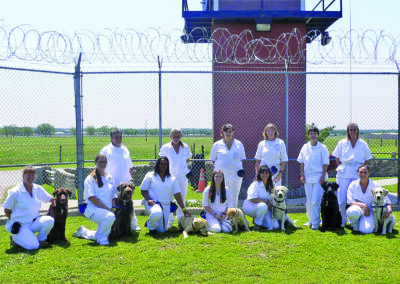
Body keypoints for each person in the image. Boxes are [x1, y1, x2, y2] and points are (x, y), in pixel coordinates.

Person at [4, 166, 55, 250]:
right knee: (33, 246)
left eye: (32, 175)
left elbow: (49, 198)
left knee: (49, 220)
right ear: (23, 176)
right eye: (28, 175)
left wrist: (54, 201)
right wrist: (13, 219)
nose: (30, 178)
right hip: (21, 225)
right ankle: (15, 238)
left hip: (33, 222)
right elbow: (7, 210)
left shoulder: (37, 188)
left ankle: (40, 240)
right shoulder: (15, 192)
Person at [332, 122, 373, 227]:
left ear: (357, 130)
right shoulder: (342, 143)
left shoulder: (363, 144)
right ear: (348, 131)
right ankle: (343, 220)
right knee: (342, 199)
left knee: (355, 198)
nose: (353, 132)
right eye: (351, 130)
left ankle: (355, 220)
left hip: (357, 173)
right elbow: (336, 156)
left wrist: (360, 169)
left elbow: (367, 160)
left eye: (354, 129)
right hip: (344, 173)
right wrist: (341, 165)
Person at [100, 129, 140, 231]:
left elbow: (130, 167)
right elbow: (100, 167)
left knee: (129, 204)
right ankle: (112, 226)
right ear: (111, 138)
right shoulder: (106, 150)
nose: (118, 139)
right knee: (114, 206)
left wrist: (131, 179)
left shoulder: (125, 149)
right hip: (112, 184)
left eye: (120, 137)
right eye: (116, 137)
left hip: (126, 184)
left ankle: (133, 225)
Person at [73, 154, 117, 246]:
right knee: (110, 217)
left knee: (108, 219)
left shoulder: (110, 177)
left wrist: (113, 207)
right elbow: (92, 198)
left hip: (108, 210)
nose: (102, 164)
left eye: (104, 162)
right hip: (93, 210)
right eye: (100, 162)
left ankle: (83, 232)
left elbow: (114, 195)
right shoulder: (90, 179)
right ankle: (102, 239)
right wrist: (108, 209)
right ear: (95, 163)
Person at [140, 157, 191, 234]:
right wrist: (148, 199)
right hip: (153, 203)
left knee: (162, 230)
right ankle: (151, 227)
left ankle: (149, 222)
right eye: (161, 164)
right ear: (157, 165)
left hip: (166, 206)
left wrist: (184, 209)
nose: (163, 166)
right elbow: (143, 190)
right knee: (156, 213)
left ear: (168, 166)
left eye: (165, 164)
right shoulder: (150, 175)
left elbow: (177, 194)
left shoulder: (172, 178)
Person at [297, 126, 329, 230]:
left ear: (318, 135)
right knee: (309, 200)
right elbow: (301, 162)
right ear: (309, 135)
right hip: (307, 177)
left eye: (315, 133)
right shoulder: (305, 147)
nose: (313, 135)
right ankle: (310, 219)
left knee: (316, 200)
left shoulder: (322, 147)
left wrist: (323, 176)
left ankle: (315, 222)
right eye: (311, 133)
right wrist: (302, 175)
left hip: (319, 177)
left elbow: (325, 163)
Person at [159, 128, 192, 226]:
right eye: (174, 136)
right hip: (169, 177)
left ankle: (181, 221)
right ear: (170, 137)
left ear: (181, 137)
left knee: (182, 199)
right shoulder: (165, 148)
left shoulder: (185, 147)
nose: (176, 138)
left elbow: (187, 160)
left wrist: (187, 171)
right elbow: (161, 162)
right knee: (168, 199)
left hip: (182, 177)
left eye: (178, 136)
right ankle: (168, 222)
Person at [346, 165, 392, 233]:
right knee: (352, 212)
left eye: (365, 172)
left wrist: (389, 210)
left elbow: (387, 200)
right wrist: (364, 205)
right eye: (361, 172)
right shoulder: (353, 184)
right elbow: (350, 201)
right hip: (357, 208)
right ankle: (355, 224)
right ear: (358, 173)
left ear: (369, 173)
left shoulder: (374, 184)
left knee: (366, 230)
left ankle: (362, 222)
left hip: (370, 211)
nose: (363, 174)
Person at [209, 124, 246, 207]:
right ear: (222, 132)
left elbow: (242, 158)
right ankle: (222, 216)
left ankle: (232, 217)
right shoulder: (217, 145)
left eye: (230, 131)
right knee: (221, 196)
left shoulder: (239, 144)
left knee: (234, 196)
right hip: (221, 176)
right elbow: (212, 160)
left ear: (233, 132)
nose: (228, 133)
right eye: (226, 131)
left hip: (235, 175)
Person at [242, 165, 279, 230]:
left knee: (275, 226)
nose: (265, 174)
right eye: (262, 173)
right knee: (263, 206)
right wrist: (267, 202)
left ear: (269, 174)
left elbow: (275, 197)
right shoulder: (255, 184)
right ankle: (257, 224)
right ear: (259, 174)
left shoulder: (272, 184)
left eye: (266, 173)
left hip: (264, 209)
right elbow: (252, 199)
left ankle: (259, 219)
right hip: (250, 207)